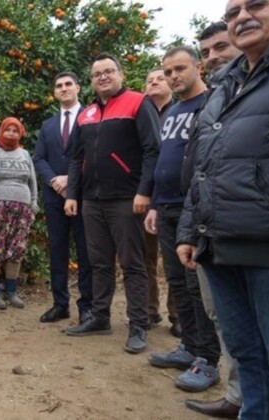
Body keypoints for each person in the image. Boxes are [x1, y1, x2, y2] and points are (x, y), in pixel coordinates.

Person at [177, 2, 269, 417]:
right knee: (247, 353)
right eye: (234, 9)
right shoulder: (225, 87)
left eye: (256, 4)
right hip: (220, 244)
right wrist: (190, 231)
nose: (242, 16)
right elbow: (203, 167)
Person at [64, 53, 160, 354]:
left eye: (108, 71)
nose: (102, 77)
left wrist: (145, 192)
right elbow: (77, 158)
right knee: (99, 262)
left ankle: (138, 325)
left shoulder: (138, 102)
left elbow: (152, 150)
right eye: (97, 74)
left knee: (133, 264)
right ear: (91, 81)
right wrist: (72, 195)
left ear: (120, 74)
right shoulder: (87, 113)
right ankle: (100, 317)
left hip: (126, 199)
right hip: (92, 200)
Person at [144, 46, 221, 393]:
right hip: (168, 205)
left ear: (198, 67)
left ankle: (208, 359)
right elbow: (164, 159)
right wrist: (155, 204)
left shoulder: (212, 104)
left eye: (179, 69)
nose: (173, 76)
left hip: (196, 207)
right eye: (167, 70)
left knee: (196, 286)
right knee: (176, 282)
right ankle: (189, 347)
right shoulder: (172, 110)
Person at [183, 20, 244, 420]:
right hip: (213, 226)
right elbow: (199, 169)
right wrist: (190, 227)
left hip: (259, 229)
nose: (214, 56)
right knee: (230, 318)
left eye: (221, 46)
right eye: (206, 51)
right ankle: (241, 397)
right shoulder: (218, 99)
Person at [33, 72, 93, 324]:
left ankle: (87, 307)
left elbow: (95, 153)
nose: (64, 88)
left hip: (83, 195)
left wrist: (71, 178)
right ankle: (60, 304)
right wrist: (55, 181)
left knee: (85, 251)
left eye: (68, 84)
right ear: (54, 92)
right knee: (57, 250)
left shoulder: (91, 118)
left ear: (78, 87)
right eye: (59, 86)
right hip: (54, 196)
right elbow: (39, 159)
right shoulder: (48, 125)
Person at [0, 117, 37, 310]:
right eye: (7, 130)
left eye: (15, 130)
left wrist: (33, 205)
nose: (11, 133)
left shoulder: (25, 154)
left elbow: (33, 182)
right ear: (1, 131)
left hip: (22, 209)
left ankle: (12, 292)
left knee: (16, 249)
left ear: (20, 133)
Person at [143, 68, 179, 336]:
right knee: (144, 256)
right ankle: (148, 309)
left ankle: (178, 316)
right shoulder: (140, 114)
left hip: (172, 196)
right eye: (149, 80)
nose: (154, 82)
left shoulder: (180, 113)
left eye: (160, 78)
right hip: (144, 196)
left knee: (175, 258)